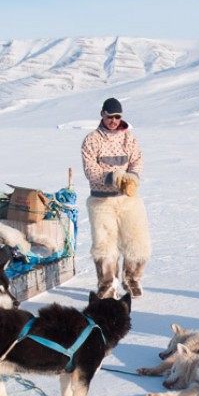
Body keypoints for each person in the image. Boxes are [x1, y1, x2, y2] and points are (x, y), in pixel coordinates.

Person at [80, 97, 151, 299]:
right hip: (102, 200)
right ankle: (107, 283)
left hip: (127, 199)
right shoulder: (92, 140)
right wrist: (112, 177)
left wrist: (132, 178)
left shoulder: (129, 138)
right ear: (102, 114)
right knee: (105, 244)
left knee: (137, 239)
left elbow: (137, 160)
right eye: (110, 116)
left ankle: (132, 279)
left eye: (117, 116)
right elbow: (90, 170)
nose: (113, 120)